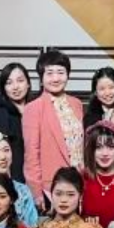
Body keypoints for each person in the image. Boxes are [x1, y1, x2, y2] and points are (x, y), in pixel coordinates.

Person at [22, 49, 84, 206]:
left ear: (68, 75)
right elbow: (31, 154)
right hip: (50, 187)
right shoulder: (33, 108)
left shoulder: (76, 104)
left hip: (78, 182)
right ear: (41, 78)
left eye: (61, 72)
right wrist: (36, 192)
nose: (55, 78)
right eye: (49, 73)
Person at [0, 62, 31, 183]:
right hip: (13, 179)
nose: (15, 87)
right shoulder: (0, 115)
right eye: (9, 83)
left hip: (37, 178)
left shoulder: (36, 111)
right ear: (3, 88)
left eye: (20, 81)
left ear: (28, 84)